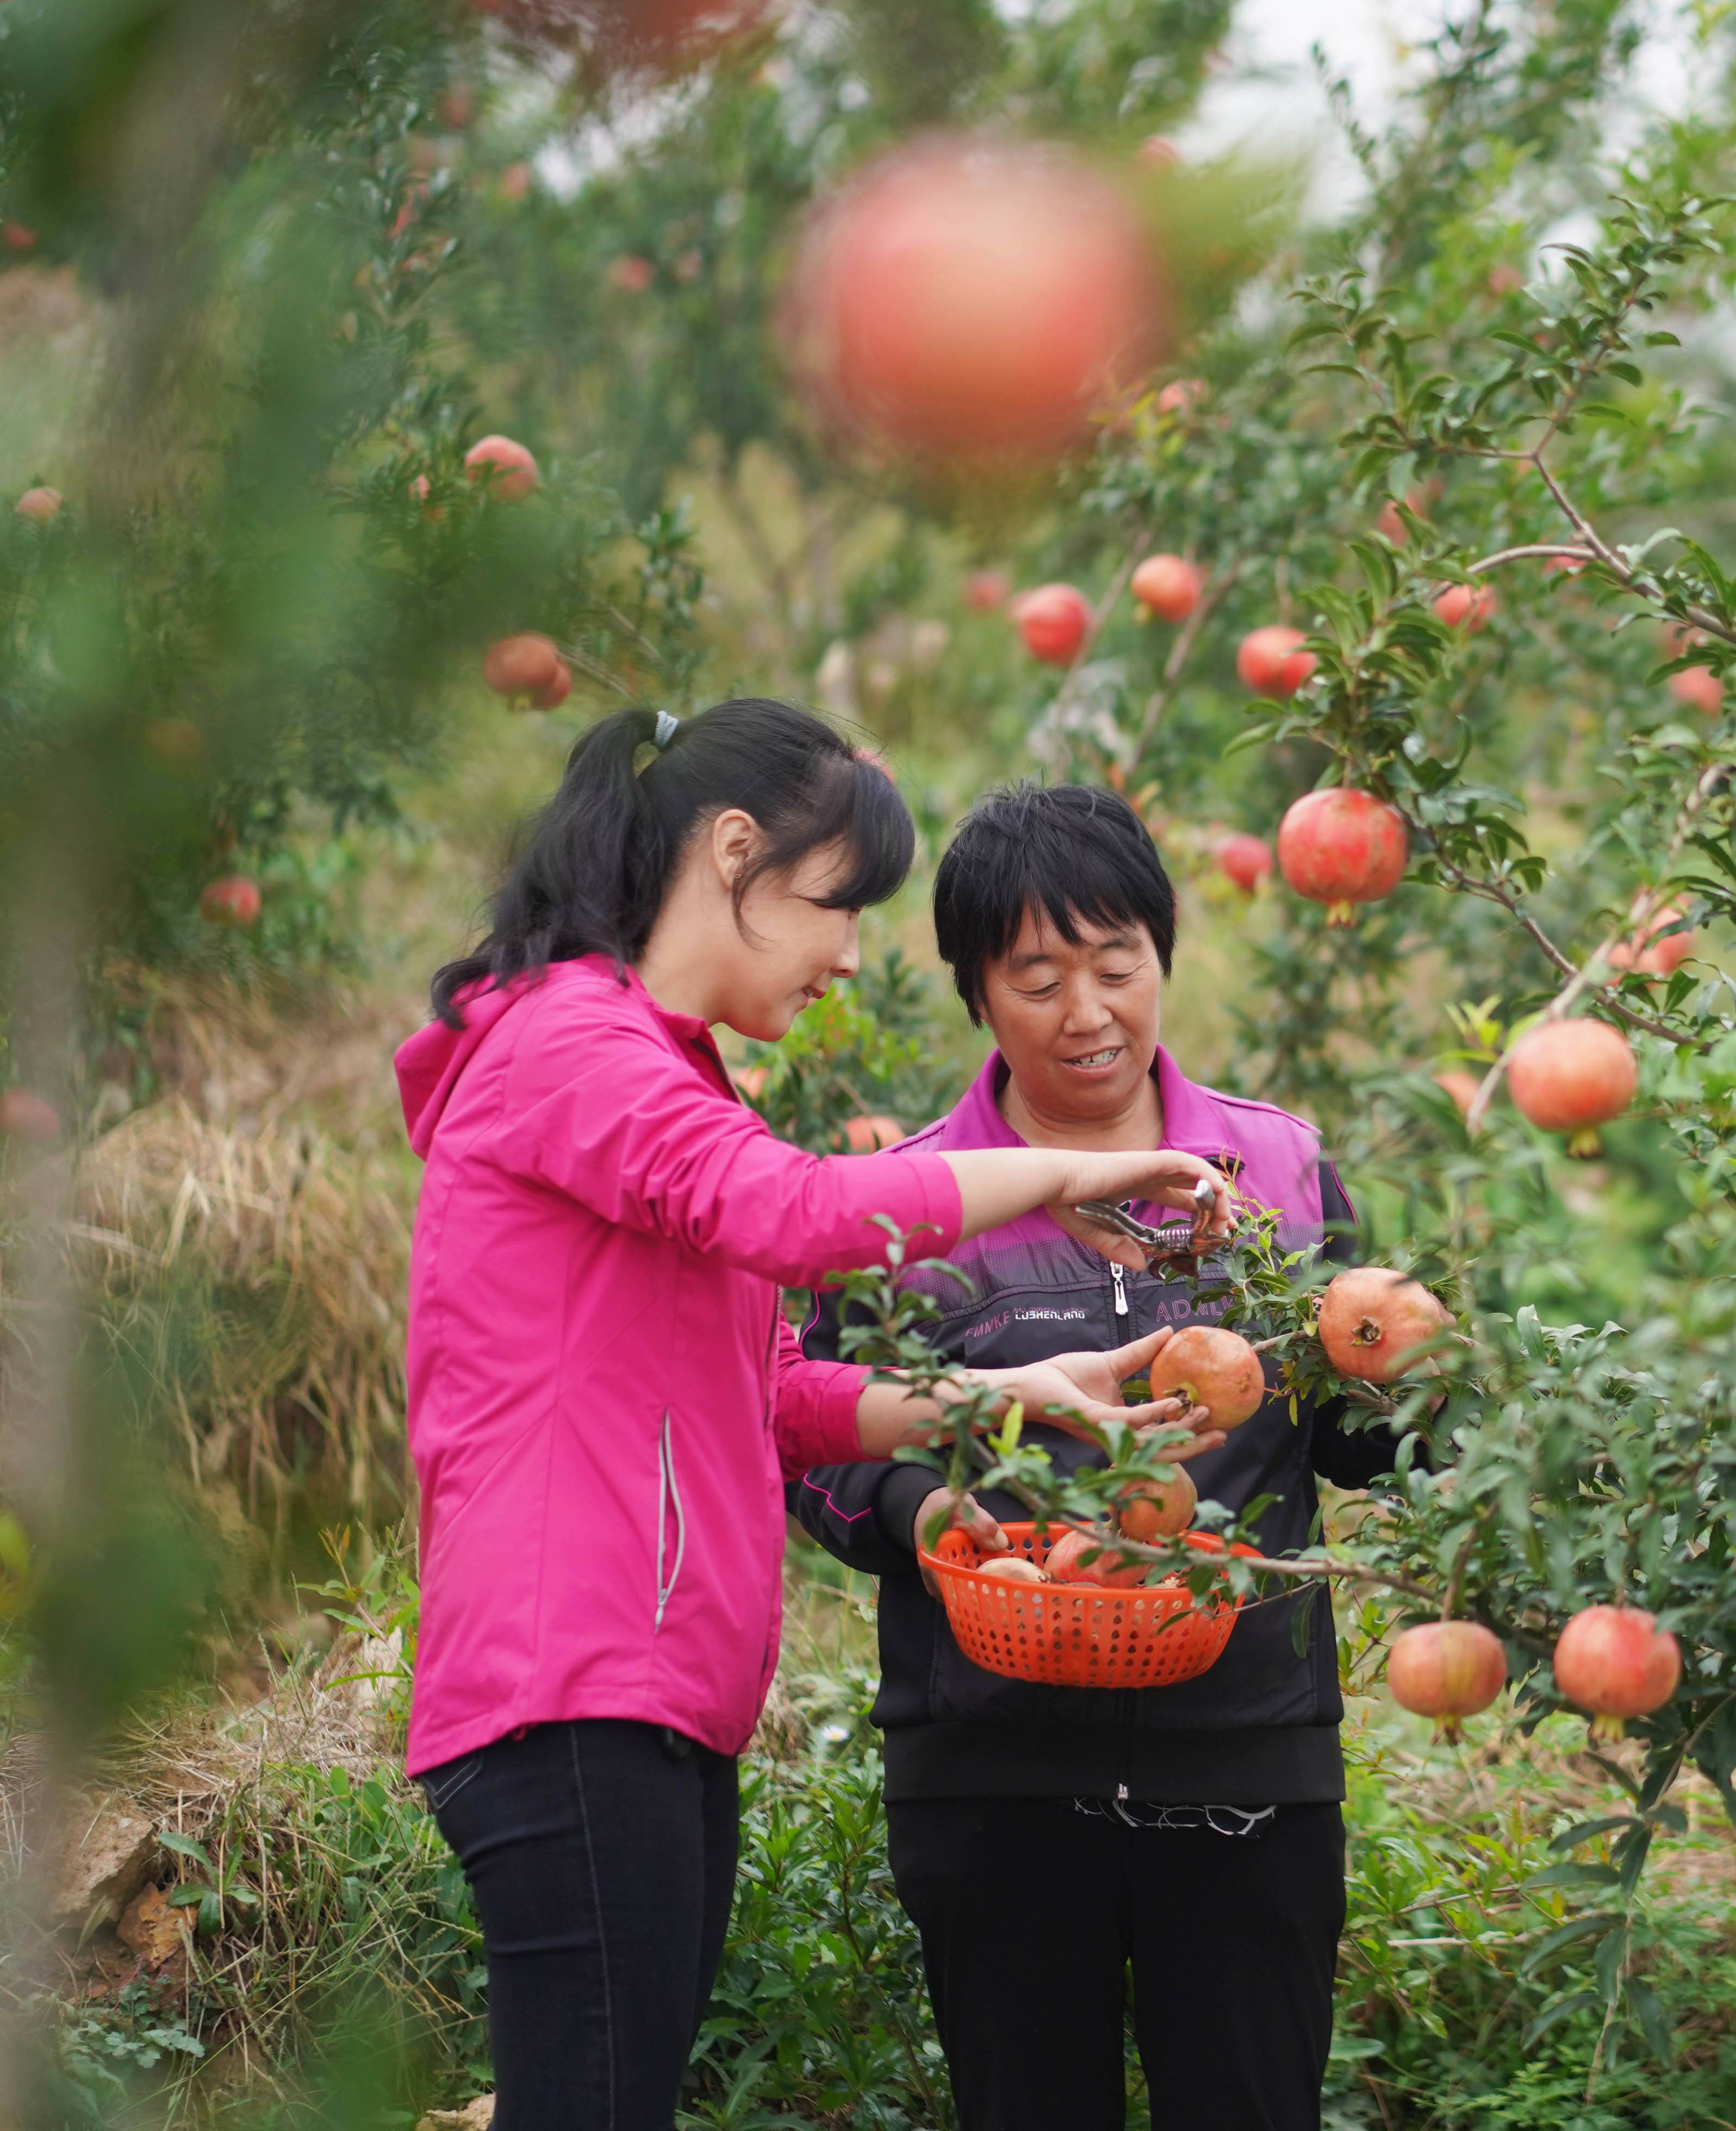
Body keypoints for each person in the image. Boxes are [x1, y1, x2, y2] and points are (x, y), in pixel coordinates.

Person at [399, 702, 1233, 2131]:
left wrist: (1004, 1398)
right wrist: (1050, 1173)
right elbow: (790, 1214)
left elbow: (772, 1397)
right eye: (837, 903)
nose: (852, 954)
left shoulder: (652, 1063)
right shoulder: (572, 1044)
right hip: (574, 1676)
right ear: (734, 853)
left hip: (644, 1694)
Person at [789, 782, 1408, 2131]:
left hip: (1247, 1764)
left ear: (1162, 958)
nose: (1089, 1011)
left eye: (1117, 963)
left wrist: (1428, 1383)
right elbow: (814, 1444)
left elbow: (1359, 1436)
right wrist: (925, 1501)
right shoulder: (909, 1200)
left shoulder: (1279, 1171)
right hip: (992, 1768)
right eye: (1040, 975)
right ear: (976, 993)